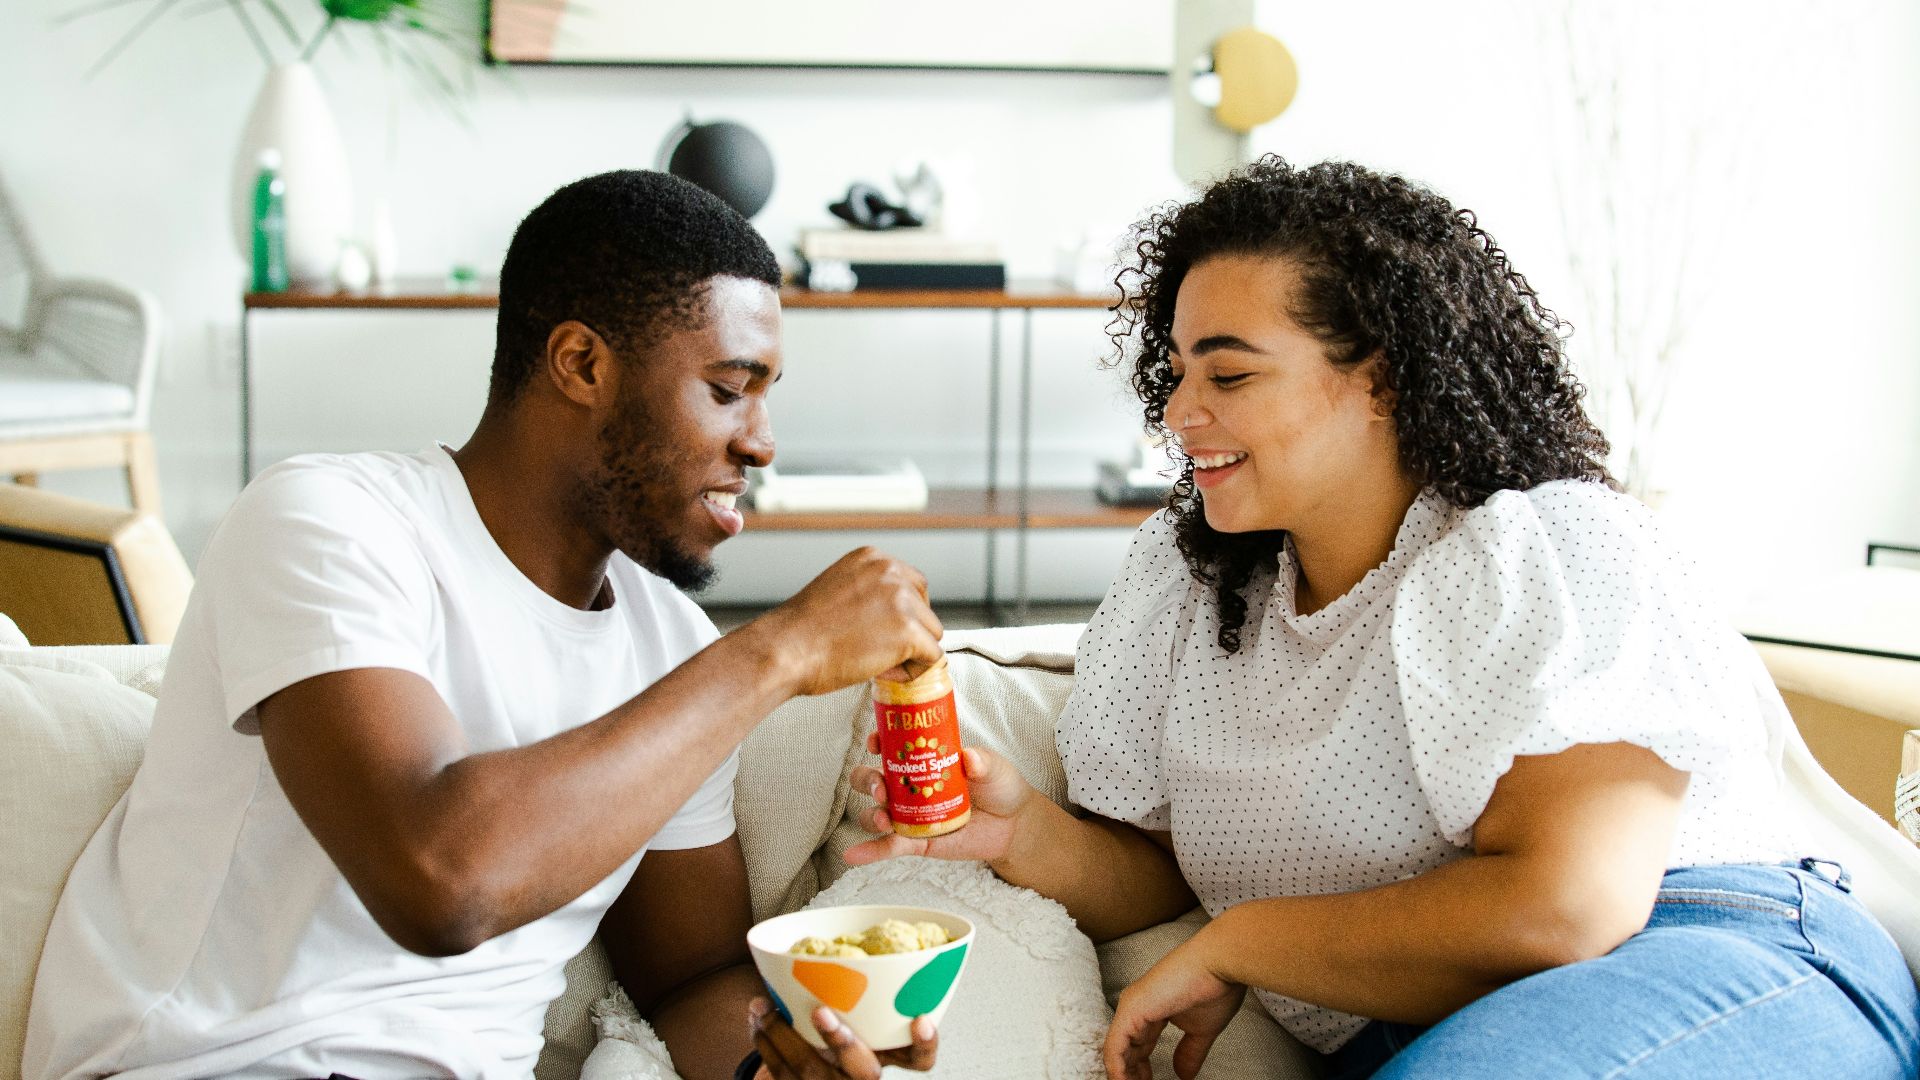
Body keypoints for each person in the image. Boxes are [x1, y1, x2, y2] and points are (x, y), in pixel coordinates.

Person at [846, 157, 1920, 1079]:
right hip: (1426, 1034)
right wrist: (1022, 831)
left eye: (1229, 371)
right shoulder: (1187, 590)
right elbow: (1160, 868)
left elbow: (1571, 908)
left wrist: (1248, 945)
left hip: (1699, 955)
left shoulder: (1541, 545)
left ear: (1386, 379)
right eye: (1175, 373)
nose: (1179, 412)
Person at [24, 170, 938, 1080]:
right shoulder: (330, 522)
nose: (763, 441)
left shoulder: (672, 649)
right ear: (582, 364)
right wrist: (783, 648)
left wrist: (774, 1064)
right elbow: (437, 882)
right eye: (729, 388)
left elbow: (690, 975)